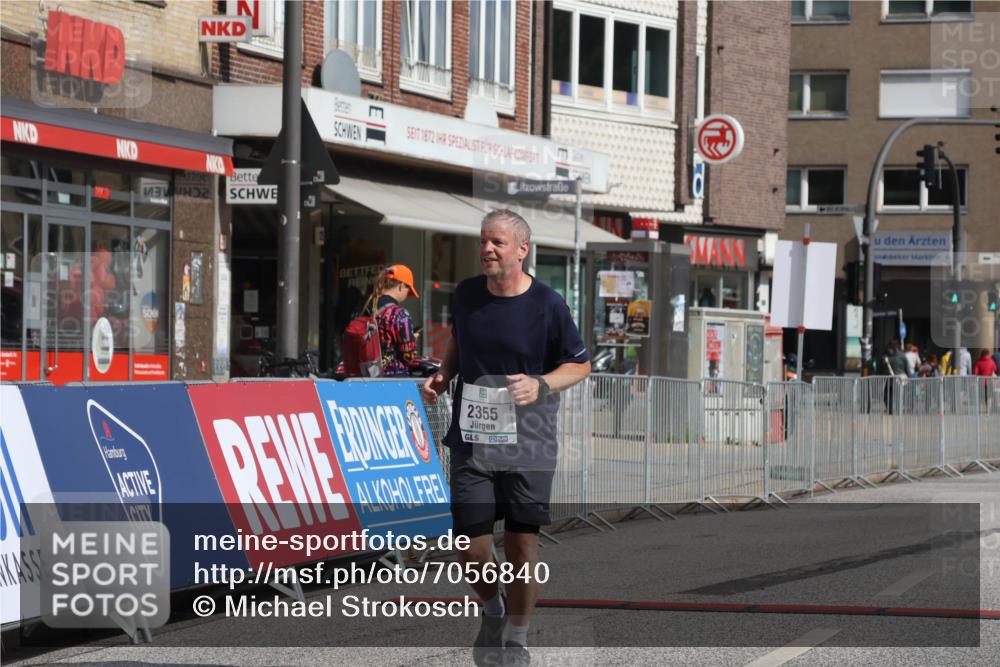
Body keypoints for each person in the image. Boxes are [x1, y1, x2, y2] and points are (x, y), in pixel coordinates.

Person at [421, 210, 591, 666]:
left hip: (529, 443)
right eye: (483, 241)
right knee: (472, 546)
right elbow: (459, 341)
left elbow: (580, 364)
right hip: (473, 440)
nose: (487, 250)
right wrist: (443, 373)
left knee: (521, 544)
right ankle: (492, 609)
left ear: (521, 249)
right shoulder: (467, 294)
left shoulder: (548, 304)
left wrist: (541, 384)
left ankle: (517, 637)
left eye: (496, 242)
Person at [364, 264, 422, 377]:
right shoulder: (400, 314)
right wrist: (413, 339)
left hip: (368, 378)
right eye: (408, 290)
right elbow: (409, 357)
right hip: (394, 379)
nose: (406, 295)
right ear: (401, 286)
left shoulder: (367, 308)